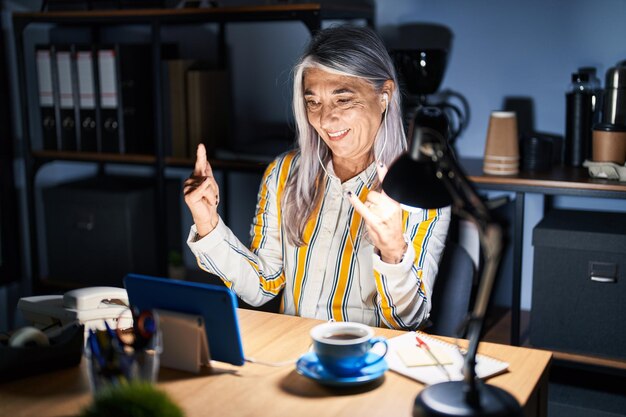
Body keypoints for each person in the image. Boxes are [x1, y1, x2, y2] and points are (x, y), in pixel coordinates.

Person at [184, 25, 450, 330]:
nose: (325, 119)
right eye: (314, 102)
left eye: (343, 99)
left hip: (368, 362)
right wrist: (207, 223)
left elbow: (408, 320)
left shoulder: (422, 188)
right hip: (292, 354)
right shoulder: (283, 173)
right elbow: (262, 286)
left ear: (384, 95)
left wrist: (393, 252)